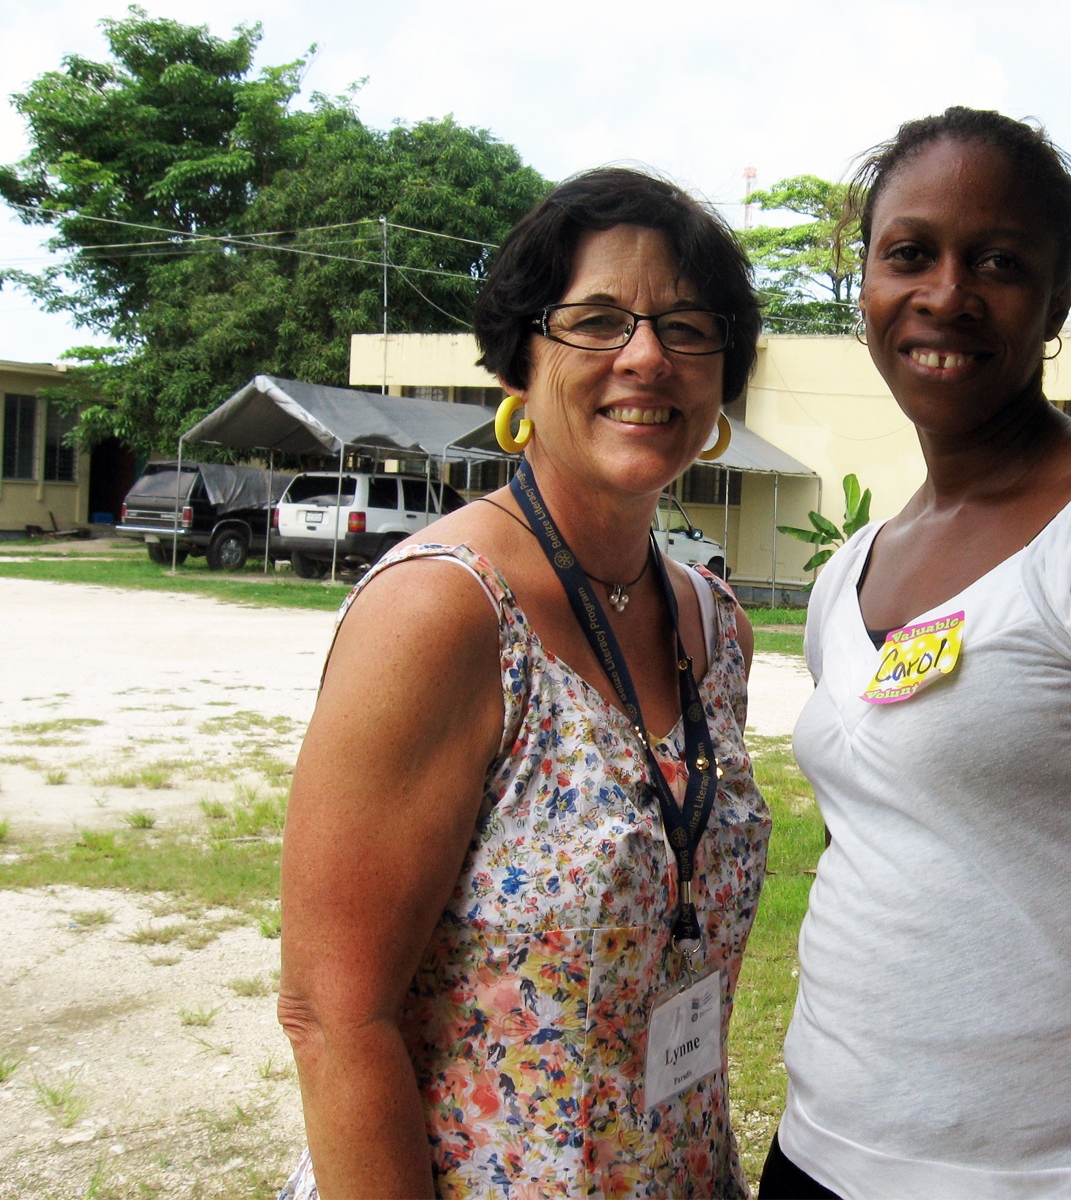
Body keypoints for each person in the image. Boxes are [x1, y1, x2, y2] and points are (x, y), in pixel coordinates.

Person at [759, 108, 1071, 1200]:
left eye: (997, 262)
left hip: (1021, 1178)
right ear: (864, 285)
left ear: (1056, 302)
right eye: (909, 255)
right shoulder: (850, 568)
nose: (945, 294)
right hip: (815, 1152)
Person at [276, 167, 770, 1199]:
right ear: (520, 362)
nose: (647, 356)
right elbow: (332, 1017)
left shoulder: (716, 628)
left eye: (686, 327)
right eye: (597, 320)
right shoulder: (445, 612)